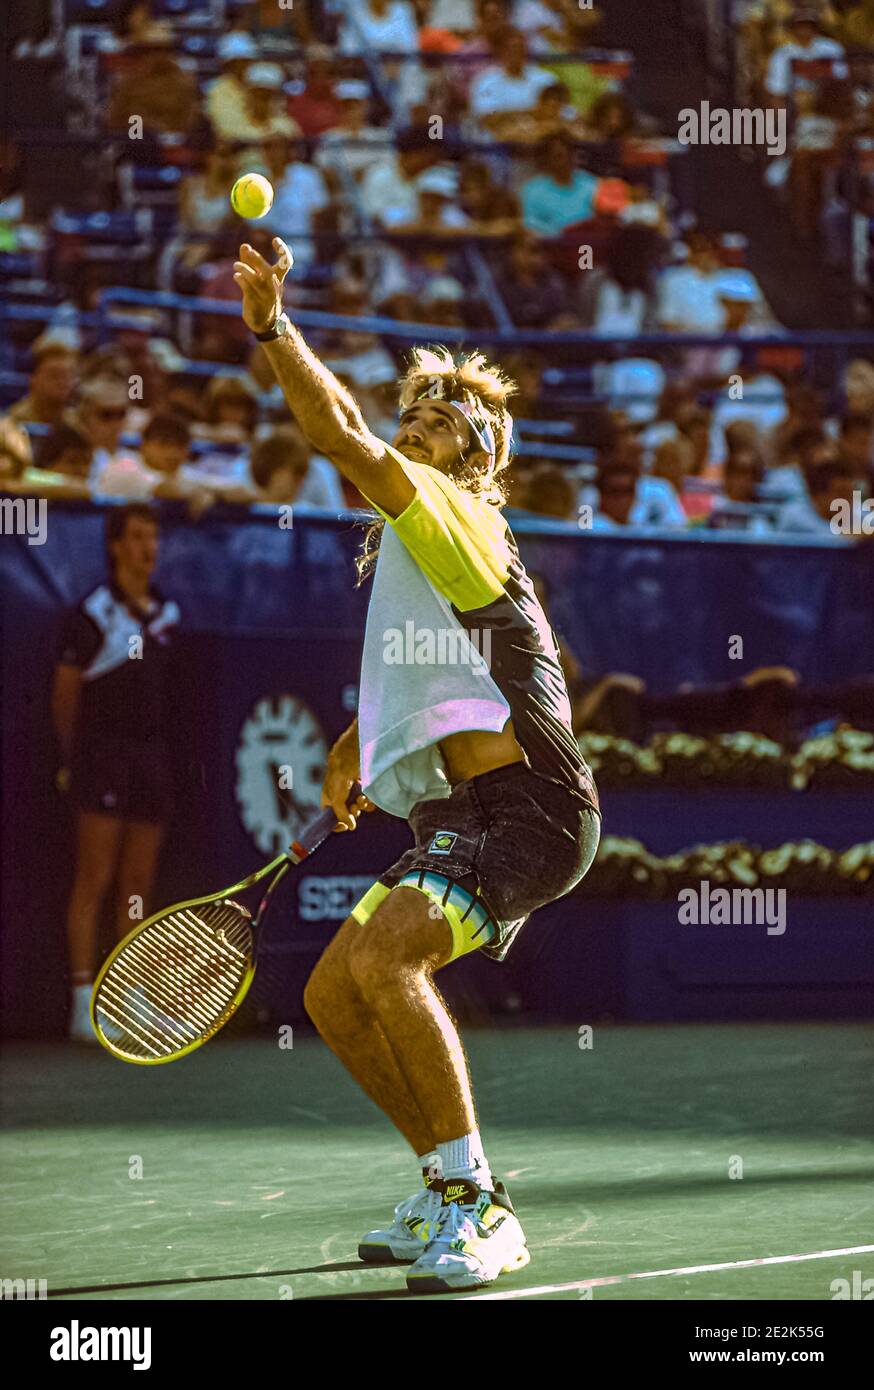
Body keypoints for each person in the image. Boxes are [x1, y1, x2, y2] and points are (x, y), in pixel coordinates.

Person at [233, 234, 601, 1292]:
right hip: (456, 811)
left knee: (388, 959)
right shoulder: (411, 549)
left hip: (526, 809)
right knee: (334, 998)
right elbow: (422, 669)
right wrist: (356, 746)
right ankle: (442, 1186)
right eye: (416, 412)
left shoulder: (456, 512)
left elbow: (337, 430)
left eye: (444, 418)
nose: (418, 424)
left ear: (477, 456)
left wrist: (271, 327)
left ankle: (480, 1207)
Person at [52, 504, 180, 1043]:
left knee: (136, 887)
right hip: (101, 758)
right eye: (137, 537)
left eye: (153, 537)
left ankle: (129, 1001)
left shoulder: (170, 614)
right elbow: (65, 695)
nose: (147, 547)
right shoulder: (92, 614)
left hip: (151, 761)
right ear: (116, 546)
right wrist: (69, 760)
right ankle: (83, 1004)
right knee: (94, 879)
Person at [7, 338, 78, 428]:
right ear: (33, 378)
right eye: (55, 375)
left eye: (69, 375)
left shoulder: (76, 424)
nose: (63, 382)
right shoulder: (14, 422)